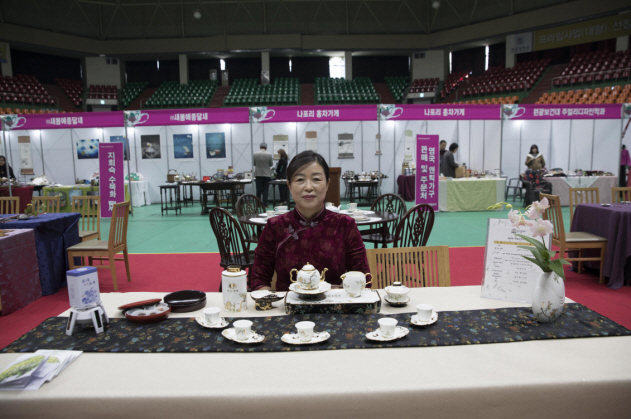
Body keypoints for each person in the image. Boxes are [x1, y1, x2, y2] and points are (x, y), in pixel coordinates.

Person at [250, 150, 370, 291]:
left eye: (316, 179)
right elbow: (258, 280)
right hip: (288, 310)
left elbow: (364, 279)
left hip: (337, 308)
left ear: (327, 184)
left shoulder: (345, 225)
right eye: (300, 180)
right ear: (289, 186)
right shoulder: (275, 226)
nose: (308, 187)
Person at [253, 142, 273, 206]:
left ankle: (258, 204)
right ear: (266, 148)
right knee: (265, 190)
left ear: (260, 147)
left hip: (258, 174)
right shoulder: (269, 154)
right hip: (267, 175)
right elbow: (271, 164)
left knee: (258, 190)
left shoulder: (255, 154)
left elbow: (254, 164)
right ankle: (265, 204)